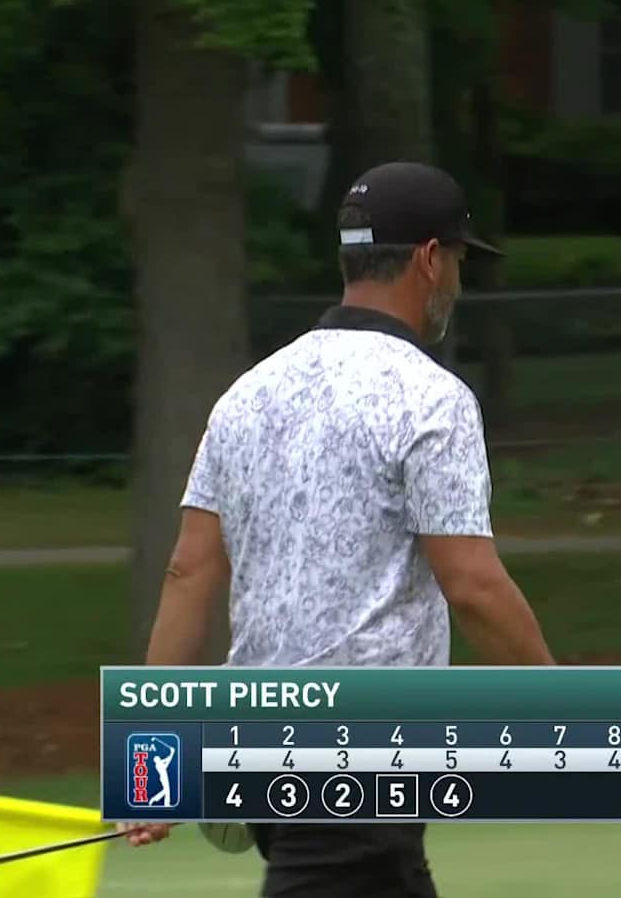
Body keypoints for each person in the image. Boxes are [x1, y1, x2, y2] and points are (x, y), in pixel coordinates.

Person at [119, 161, 555, 898]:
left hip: (262, 748)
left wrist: (149, 767)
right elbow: (473, 586)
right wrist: (567, 709)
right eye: (457, 261)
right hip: (362, 751)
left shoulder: (246, 395)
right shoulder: (431, 398)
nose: (456, 281)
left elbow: (189, 572)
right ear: (428, 259)